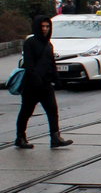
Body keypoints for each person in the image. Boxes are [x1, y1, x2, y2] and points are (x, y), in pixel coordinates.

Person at [15, 15, 73, 149]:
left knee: (52, 110)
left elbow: (51, 63)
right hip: (32, 86)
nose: (45, 29)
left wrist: (57, 79)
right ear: (37, 27)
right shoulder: (30, 43)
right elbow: (29, 65)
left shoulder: (48, 44)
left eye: (47, 26)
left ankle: (55, 137)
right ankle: (20, 137)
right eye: (43, 26)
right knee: (26, 111)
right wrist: (36, 80)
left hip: (46, 85)